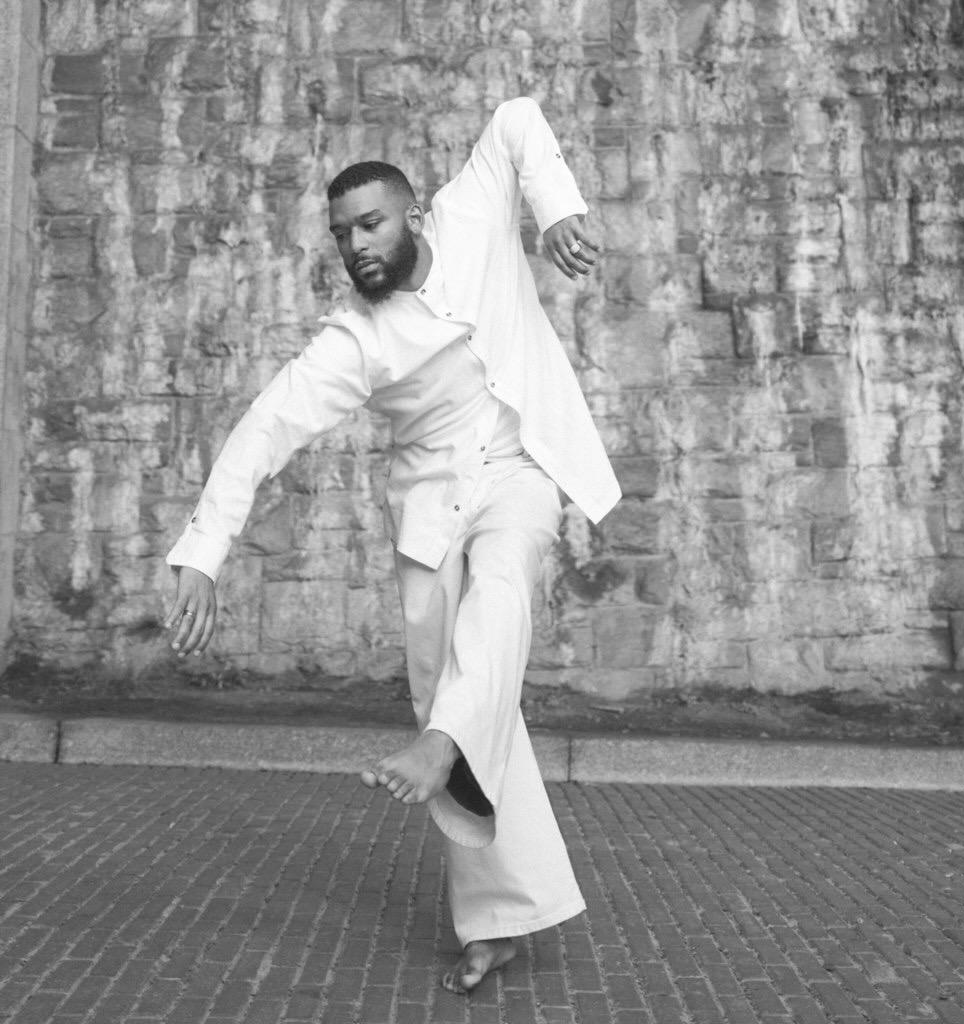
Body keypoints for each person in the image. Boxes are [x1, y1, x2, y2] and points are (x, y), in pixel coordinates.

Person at [164, 97, 621, 994]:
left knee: (500, 592)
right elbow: (265, 427)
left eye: (370, 224)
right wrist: (202, 552)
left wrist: (558, 207)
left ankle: (443, 746)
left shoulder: (474, 209)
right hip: (430, 514)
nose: (357, 246)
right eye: (342, 235)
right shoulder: (355, 340)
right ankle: (498, 917)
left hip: (520, 469)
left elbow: (517, 118)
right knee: (460, 694)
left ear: (413, 213)